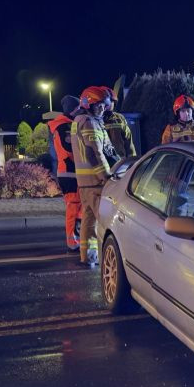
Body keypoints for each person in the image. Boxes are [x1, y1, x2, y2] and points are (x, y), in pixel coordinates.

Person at [71, 86, 114, 266]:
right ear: (88, 104)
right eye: (99, 106)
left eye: (104, 105)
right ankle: (108, 260)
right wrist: (106, 175)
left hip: (84, 183)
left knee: (88, 222)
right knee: (104, 222)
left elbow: (106, 150)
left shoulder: (80, 120)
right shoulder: (89, 122)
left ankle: (87, 257)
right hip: (96, 182)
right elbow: (94, 152)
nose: (103, 109)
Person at [47, 94, 82, 252]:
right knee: (73, 207)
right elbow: (68, 149)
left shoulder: (64, 125)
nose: (80, 111)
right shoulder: (64, 127)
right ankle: (72, 241)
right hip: (70, 172)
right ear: (72, 110)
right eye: (78, 108)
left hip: (69, 172)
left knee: (77, 206)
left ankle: (77, 238)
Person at [102, 89, 136, 166]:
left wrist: (132, 162)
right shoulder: (96, 120)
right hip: (103, 163)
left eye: (112, 102)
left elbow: (128, 141)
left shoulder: (119, 118)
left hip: (120, 163)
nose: (110, 104)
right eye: (108, 102)